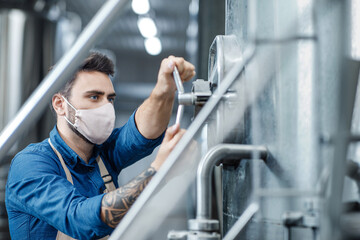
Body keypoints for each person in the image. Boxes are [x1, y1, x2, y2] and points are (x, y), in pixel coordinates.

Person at [5, 52, 195, 239]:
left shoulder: (103, 153)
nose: (106, 108)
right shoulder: (30, 164)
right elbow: (79, 220)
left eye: (109, 99)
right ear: (60, 104)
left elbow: (143, 131)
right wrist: (159, 172)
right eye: (94, 97)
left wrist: (164, 88)